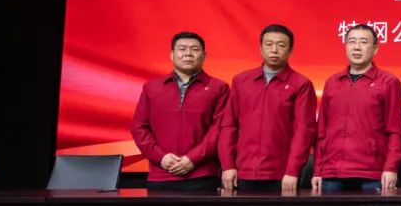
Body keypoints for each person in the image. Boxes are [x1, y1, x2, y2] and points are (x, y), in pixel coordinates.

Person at [219, 24, 316, 193]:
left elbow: (303, 131)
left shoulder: (301, 84)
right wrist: (227, 166)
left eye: (281, 45)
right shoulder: (241, 81)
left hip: (282, 175)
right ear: (260, 48)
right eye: (269, 44)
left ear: (290, 51)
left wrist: (292, 171)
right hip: (242, 171)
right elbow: (229, 126)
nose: (274, 50)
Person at [131, 31, 229, 191]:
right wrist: (161, 157)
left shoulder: (218, 88)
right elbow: (139, 128)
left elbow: (219, 129)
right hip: (160, 174)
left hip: (202, 175)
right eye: (182, 49)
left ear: (204, 55)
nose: (188, 54)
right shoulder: (152, 88)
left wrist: (192, 159)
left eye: (194, 49)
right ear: (172, 55)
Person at [311, 24, 401, 192]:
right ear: (346, 46)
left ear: (375, 49)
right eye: (352, 42)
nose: (357, 47)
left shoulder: (389, 82)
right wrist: (318, 170)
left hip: (372, 174)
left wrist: (391, 168)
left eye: (363, 42)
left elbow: (395, 131)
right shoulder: (332, 82)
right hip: (332, 172)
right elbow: (322, 131)